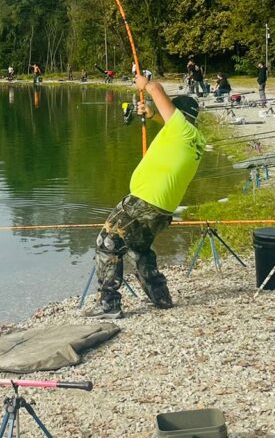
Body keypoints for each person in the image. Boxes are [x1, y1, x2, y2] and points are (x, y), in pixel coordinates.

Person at [86, 74, 206, 318]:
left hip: (144, 200)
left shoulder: (181, 127)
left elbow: (158, 90)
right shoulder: (195, 139)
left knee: (107, 242)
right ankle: (160, 297)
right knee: (138, 250)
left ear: (179, 115)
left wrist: (147, 84)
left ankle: (109, 303)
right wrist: (151, 114)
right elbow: (168, 122)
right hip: (163, 208)